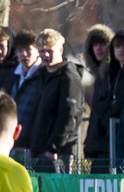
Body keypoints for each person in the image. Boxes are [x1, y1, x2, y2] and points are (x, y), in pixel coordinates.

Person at [28, 29, 84, 173]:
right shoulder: (41, 75)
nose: (45, 55)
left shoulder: (69, 77)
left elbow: (69, 116)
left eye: (50, 51)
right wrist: (31, 147)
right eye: (41, 51)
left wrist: (54, 147)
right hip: (38, 150)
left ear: (60, 49)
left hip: (57, 153)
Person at [82, 25, 114, 171]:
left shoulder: (113, 75)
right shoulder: (99, 77)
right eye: (95, 44)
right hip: (97, 150)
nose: (99, 49)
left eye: (103, 44)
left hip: (109, 150)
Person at [10, 30, 43, 161]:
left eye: (28, 50)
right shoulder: (15, 74)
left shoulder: (42, 74)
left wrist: (33, 146)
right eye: (19, 51)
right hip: (15, 141)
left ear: (37, 51)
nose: (24, 55)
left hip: (34, 145)